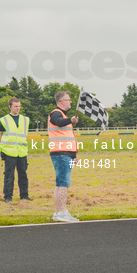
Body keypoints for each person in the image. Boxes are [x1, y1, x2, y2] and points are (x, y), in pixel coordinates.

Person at [48, 90, 79, 222]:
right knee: (63, 184)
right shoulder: (56, 113)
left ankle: (57, 213)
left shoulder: (62, 115)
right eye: (68, 99)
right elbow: (59, 122)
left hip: (64, 153)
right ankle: (62, 212)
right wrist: (70, 120)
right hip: (60, 154)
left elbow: (68, 137)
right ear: (61, 102)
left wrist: (74, 154)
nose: (70, 101)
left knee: (60, 183)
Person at [0, 98, 31, 202]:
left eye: (19, 106)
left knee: (23, 175)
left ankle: (24, 195)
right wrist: (2, 146)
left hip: (21, 151)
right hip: (9, 152)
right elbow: (0, 132)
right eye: (16, 106)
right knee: (9, 175)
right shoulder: (4, 120)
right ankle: (8, 197)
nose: (18, 108)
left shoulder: (25, 119)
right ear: (10, 107)